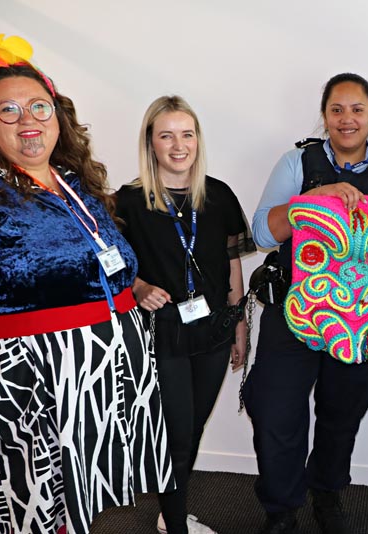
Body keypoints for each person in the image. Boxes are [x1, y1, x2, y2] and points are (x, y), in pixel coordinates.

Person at [0, 35, 173, 534]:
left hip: (91, 381)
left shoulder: (74, 180)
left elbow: (103, 265)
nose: (28, 120)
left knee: (66, 507)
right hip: (24, 387)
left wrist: (133, 288)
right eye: (8, 110)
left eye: (39, 107)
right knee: (19, 508)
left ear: (58, 116)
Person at [244, 72, 368, 534]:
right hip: (293, 315)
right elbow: (261, 233)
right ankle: (281, 509)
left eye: (357, 109)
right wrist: (308, 201)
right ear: (324, 116)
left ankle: (327, 492)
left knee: (342, 414)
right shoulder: (297, 163)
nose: (347, 119)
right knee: (276, 411)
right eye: (337, 109)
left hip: (362, 321)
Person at [115, 95, 255, 534]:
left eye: (187, 134)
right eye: (166, 135)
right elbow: (111, 266)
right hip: (162, 333)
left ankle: (169, 510)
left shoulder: (219, 194)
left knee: (192, 429)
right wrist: (137, 287)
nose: (179, 145)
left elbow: (231, 261)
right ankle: (176, 525)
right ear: (150, 143)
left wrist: (239, 321)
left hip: (213, 329)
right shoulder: (129, 201)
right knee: (176, 433)